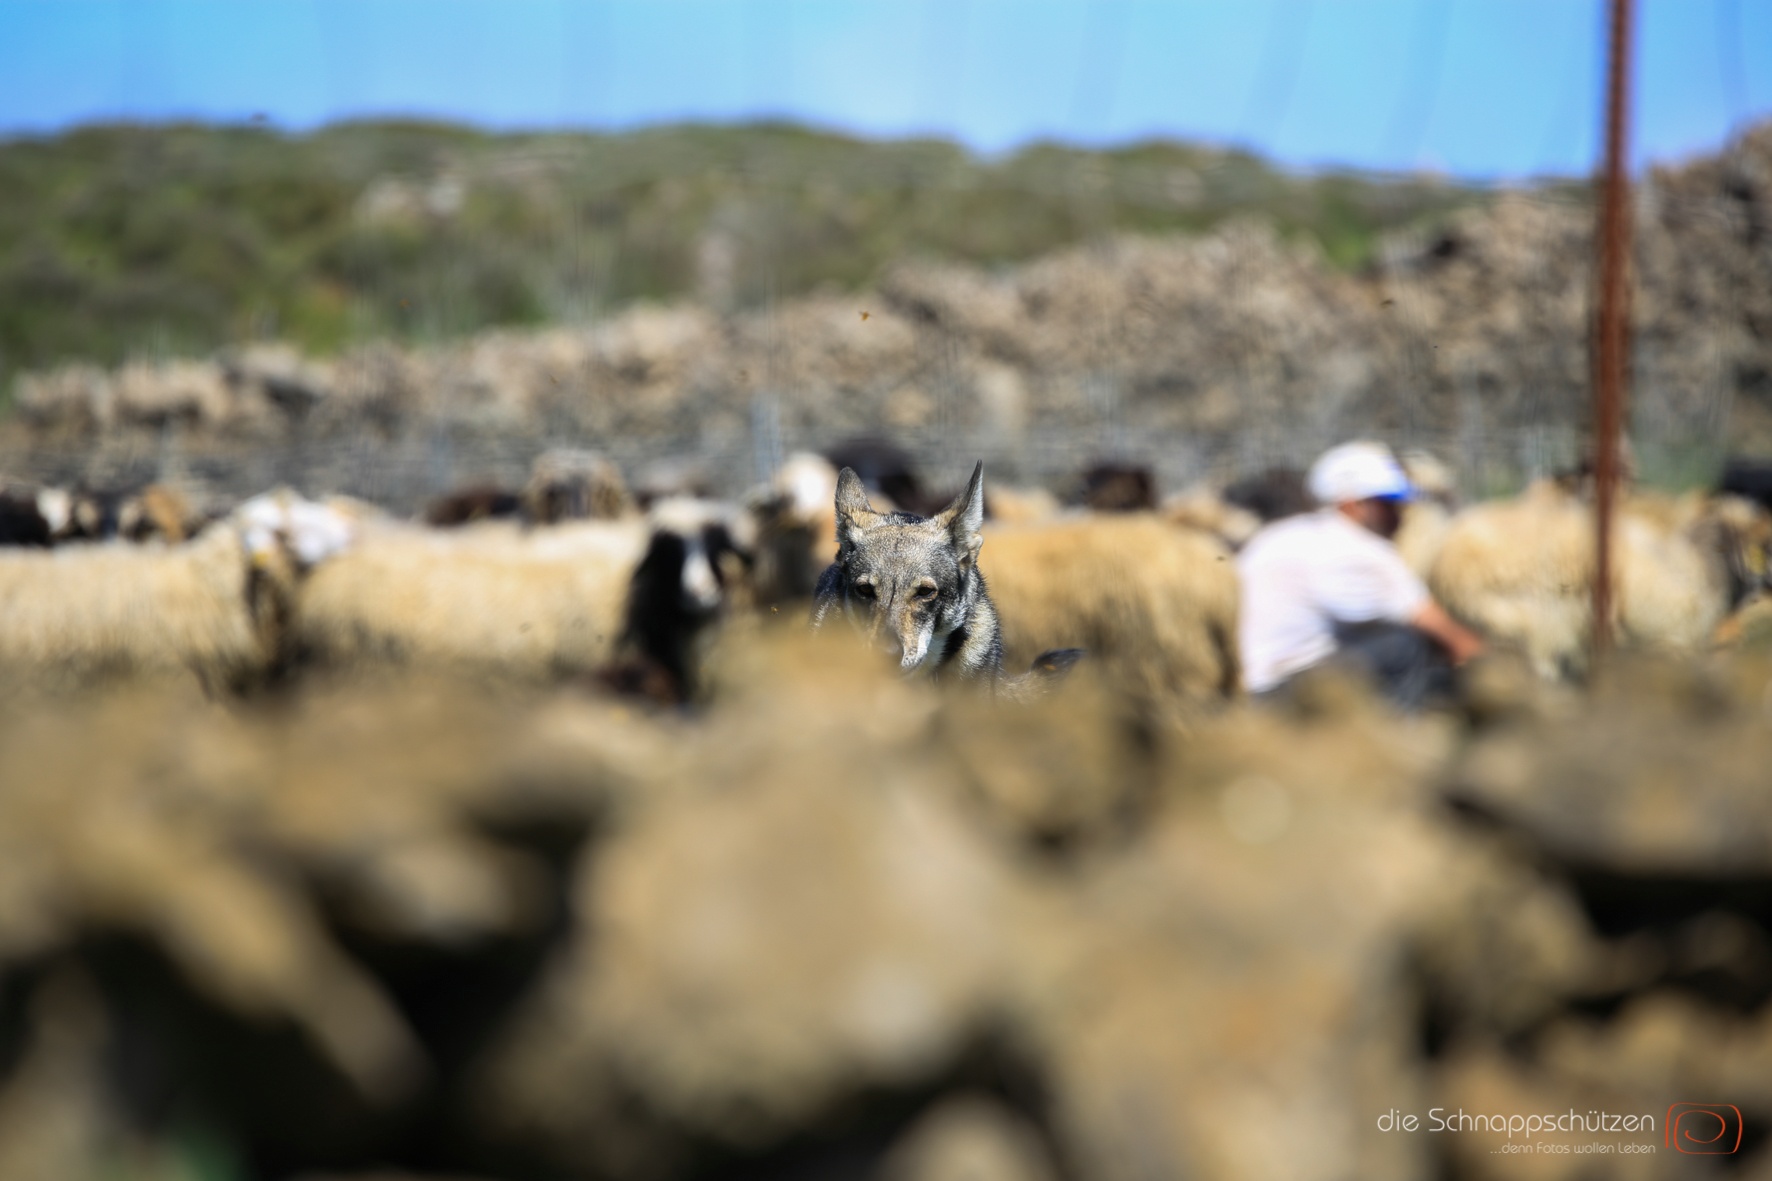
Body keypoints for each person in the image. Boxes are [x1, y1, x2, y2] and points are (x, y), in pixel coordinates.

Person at [1237, 441, 1483, 708]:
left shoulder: (1280, 534)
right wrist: (1497, 672)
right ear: (1352, 504)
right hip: (1283, 693)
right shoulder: (1359, 548)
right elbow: (1445, 632)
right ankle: (1394, 743)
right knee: (1406, 644)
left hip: (1248, 690)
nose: (1399, 518)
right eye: (1386, 505)